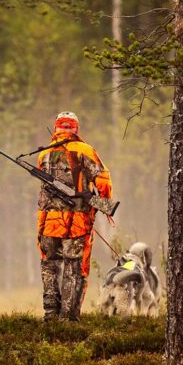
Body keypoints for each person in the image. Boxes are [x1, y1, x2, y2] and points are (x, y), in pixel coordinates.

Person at [36, 112, 114, 321]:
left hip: (47, 223)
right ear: (76, 129)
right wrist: (102, 202)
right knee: (74, 267)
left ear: (56, 128)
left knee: (49, 265)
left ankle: (51, 315)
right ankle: (68, 319)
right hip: (76, 223)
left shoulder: (44, 154)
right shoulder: (85, 150)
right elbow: (103, 179)